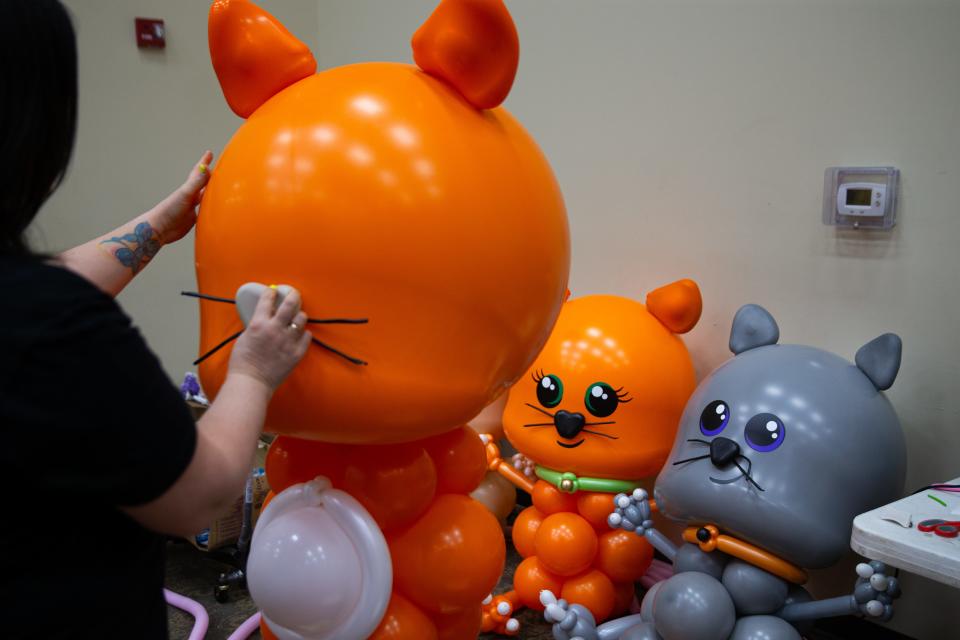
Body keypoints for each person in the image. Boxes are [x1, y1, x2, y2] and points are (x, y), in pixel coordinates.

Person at [0, 1, 310, 637]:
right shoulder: (54, 326)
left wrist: (156, 226)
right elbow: (196, 497)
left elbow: (31, 294)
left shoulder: (36, 312)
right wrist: (254, 369)